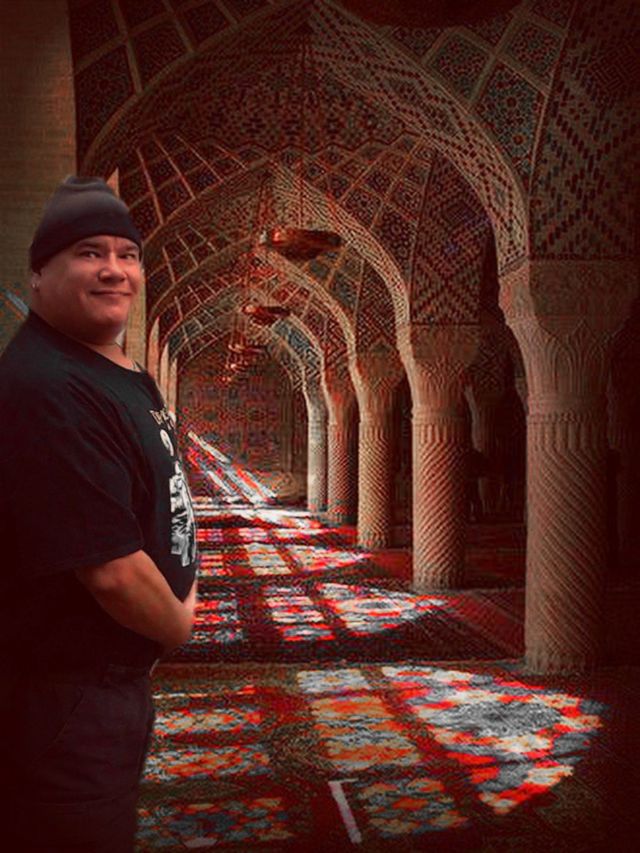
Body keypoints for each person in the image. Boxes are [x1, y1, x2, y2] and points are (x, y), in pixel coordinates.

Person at [0, 176, 199, 852]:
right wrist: (179, 622)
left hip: (102, 689)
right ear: (39, 271)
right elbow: (110, 570)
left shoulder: (110, 369)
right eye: (89, 252)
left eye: (127, 254)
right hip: (65, 698)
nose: (114, 269)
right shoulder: (48, 386)